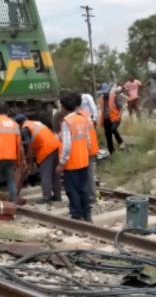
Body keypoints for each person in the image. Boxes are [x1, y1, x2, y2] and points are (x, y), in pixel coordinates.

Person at [56, 93, 92, 221]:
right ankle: (87, 213)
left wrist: (61, 163)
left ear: (64, 107)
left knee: (72, 190)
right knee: (83, 188)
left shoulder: (67, 122)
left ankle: (76, 214)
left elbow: (66, 146)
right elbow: (88, 140)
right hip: (84, 160)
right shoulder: (82, 118)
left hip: (72, 163)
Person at [16, 114, 61, 204]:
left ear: (19, 124)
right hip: (56, 146)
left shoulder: (25, 128)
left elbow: (29, 145)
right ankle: (57, 196)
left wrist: (29, 161)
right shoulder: (36, 123)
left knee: (45, 174)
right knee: (55, 174)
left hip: (46, 149)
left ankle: (46, 197)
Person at [75, 94, 100, 203]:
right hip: (92, 148)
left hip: (87, 149)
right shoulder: (86, 115)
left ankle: (90, 197)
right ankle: (92, 195)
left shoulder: (79, 117)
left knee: (87, 175)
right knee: (90, 174)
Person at [98, 84, 124, 154]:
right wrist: (101, 121)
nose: (105, 93)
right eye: (103, 92)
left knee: (113, 129)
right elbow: (102, 111)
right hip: (106, 120)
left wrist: (119, 116)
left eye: (106, 91)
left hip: (115, 118)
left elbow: (121, 107)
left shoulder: (114, 97)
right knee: (108, 136)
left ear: (108, 91)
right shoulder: (100, 100)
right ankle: (111, 152)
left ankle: (120, 141)